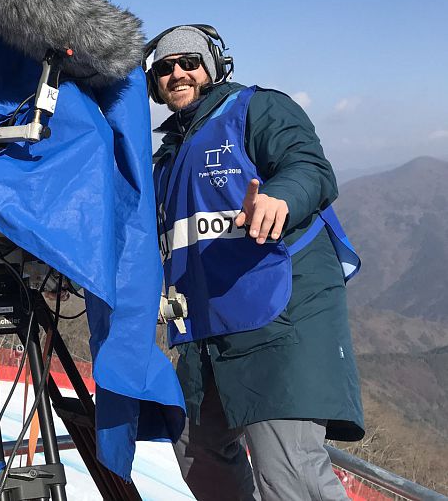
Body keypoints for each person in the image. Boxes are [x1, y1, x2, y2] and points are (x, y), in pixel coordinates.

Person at [145, 25, 364, 501]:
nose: (178, 73)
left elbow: (309, 167)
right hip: (210, 327)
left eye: (189, 62)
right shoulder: (165, 158)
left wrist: (280, 199)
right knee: (195, 447)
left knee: (289, 471)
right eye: (165, 67)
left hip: (281, 316)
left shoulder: (255, 108)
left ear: (214, 66)